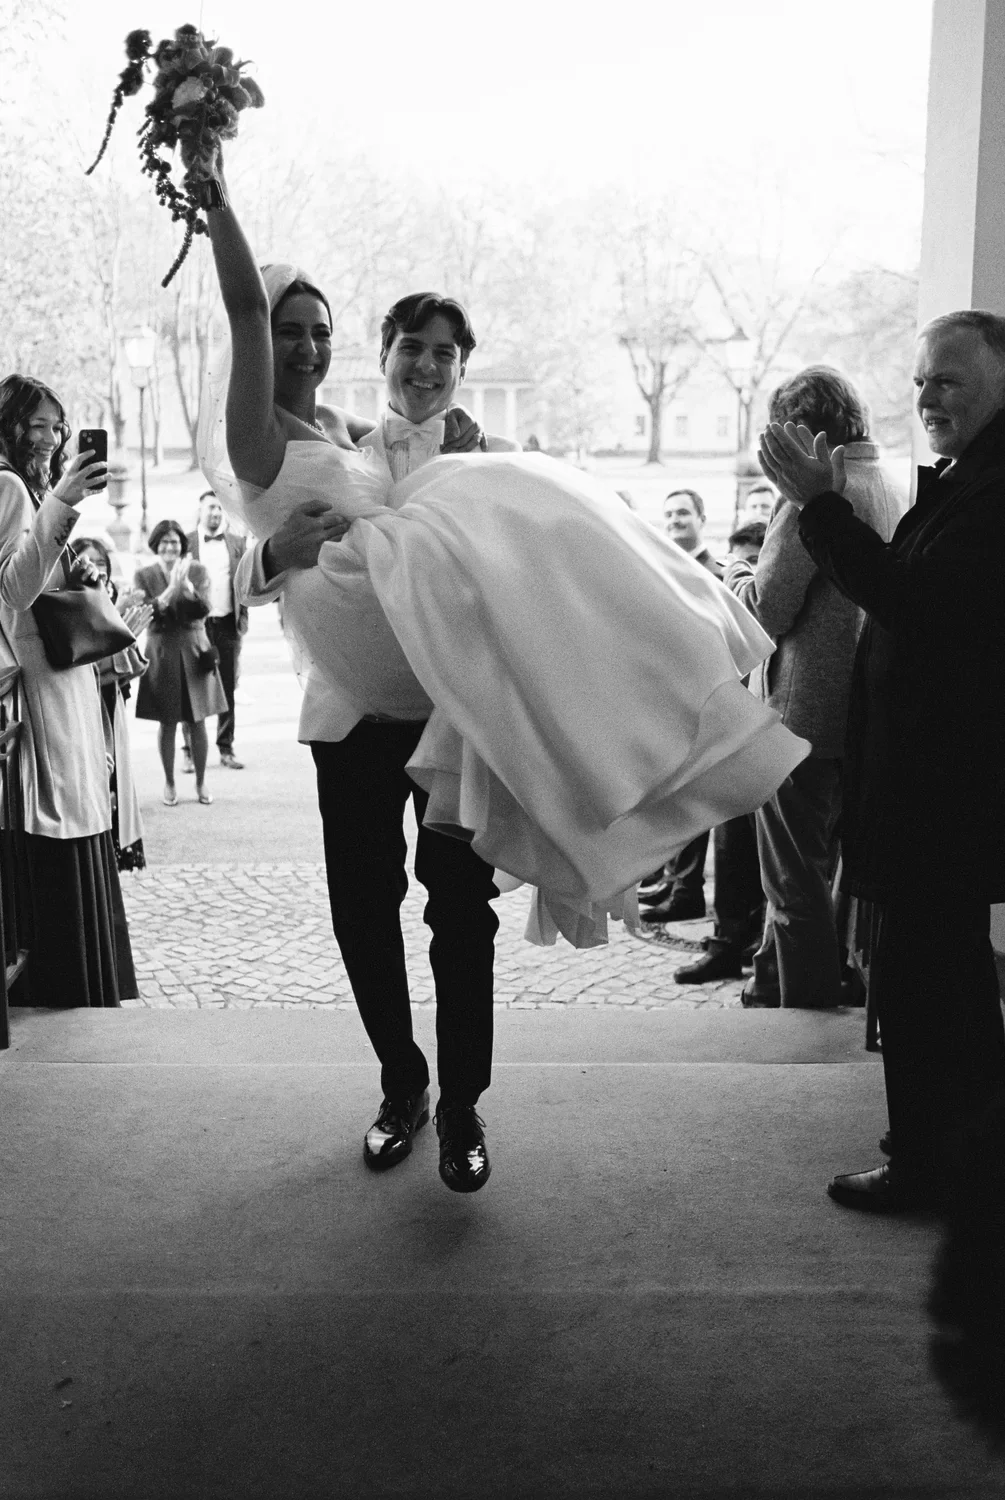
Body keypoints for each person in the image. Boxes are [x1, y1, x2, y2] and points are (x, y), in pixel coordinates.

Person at [198, 152, 808, 1194]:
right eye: (290, 329)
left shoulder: (379, 439)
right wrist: (268, 557)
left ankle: (464, 1109)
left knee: (459, 909)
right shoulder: (269, 434)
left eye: (317, 331)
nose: (302, 344)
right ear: (386, 354)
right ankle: (401, 1085)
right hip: (347, 714)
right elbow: (245, 551)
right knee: (361, 910)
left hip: (452, 711)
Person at [757, 310, 1005, 1212]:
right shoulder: (964, 476)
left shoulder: (991, 490)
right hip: (938, 772)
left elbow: (909, 600)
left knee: (918, 978)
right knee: (951, 972)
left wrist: (817, 507)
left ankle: (924, 1164)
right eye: (918, 380)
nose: (926, 395)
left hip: (943, 780)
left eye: (947, 378)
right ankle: (971, 1152)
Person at [728, 367, 905, 1011]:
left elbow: (764, 612)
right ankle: (771, 980)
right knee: (831, 872)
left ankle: (803, 1019)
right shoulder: (887, 480)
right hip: (863, 709)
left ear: (800, 433)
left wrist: (736, 570)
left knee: (792, 881)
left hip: (802, 717)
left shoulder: (813, 495)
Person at [0, 374, 138, 1007]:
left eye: (58, 427)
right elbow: (16, 589)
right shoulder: (8, 486)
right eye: (40, 426)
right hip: (40, 690)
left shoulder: (29, 488)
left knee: (77, 815)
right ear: (9, 425)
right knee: (57, 822)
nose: (53, 439)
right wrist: (60, 500)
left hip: (64, 685)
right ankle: (62, 990)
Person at [673, 518, 769, 984]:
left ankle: (747, 944)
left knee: (759, 857)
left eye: (753, 562)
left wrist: (738, 573)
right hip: (736, 730)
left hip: (767, 727)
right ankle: (731, 942)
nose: (743, 569)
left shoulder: (752, 591)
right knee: (733, 850)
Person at [641, 487, 723, 924]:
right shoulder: (662, 567)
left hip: (701, 701)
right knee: (670, 797)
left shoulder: (716, 573)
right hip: (665, 699)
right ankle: (673, 879)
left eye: (683, 514)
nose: (674, 521)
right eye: (669, 514)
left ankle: (687, 889)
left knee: (693, 799)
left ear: (702, 519)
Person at [70, 536, 152, 871]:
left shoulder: (109, 598)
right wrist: (116, 641)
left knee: (115, 783)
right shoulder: (70, 605)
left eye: (102, 562)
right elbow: (83, 668)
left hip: (112, 703)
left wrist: (124, 639)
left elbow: (128, 669)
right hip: (86, 712)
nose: (97, 569)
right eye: (89, 562)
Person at [133, 520, 228, 807]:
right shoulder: (144, 575)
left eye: (174, 542)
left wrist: (186, 588)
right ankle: (169, 782)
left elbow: (206, 608)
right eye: (164, 542)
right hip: (162, 650)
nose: (170, 547)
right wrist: (168, 591)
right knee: (167, 721)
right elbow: (143, 612)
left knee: (197, 720)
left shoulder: (197, 571)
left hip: (194, 648)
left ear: (182, 545)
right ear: (155, 545)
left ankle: (201, 781)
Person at [181, 490, 248, 773]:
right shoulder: (186, 543)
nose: (216, 513)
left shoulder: (236, 543)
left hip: (226, 624)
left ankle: (226, 747)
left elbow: (244, 583)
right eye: (211, 507)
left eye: (220, 508)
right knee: (191, 686)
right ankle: (188, 750)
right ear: (200, 510)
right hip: (195, 627)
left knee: (227, 687)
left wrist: (242, 622)